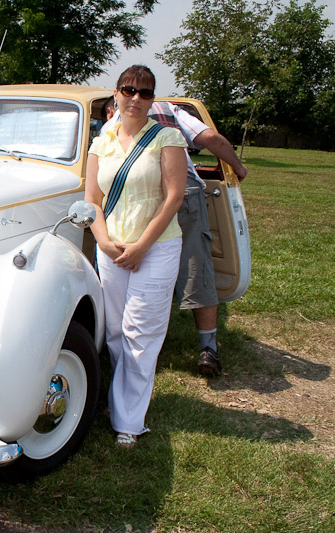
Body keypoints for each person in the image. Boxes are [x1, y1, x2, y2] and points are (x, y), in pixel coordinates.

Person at [103, 100, 249, 376]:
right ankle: (208, 347)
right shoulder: (168, 109)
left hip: (133, 199)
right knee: (196, 266)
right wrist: (238, 167)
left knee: (130, 268)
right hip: (183, 193)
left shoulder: (110, 127)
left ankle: (129, 347)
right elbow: (211, 138)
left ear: (111, 107)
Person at [85, 65, 187, 448]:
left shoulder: (167, 138)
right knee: (114, 331)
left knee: (140, 332)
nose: (136, 98)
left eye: (145, 93)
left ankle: (128, 421)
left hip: (156, 248)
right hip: (111, 248)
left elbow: (174, 197)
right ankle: (120, 399)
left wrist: (142, 245)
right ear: (116, 94)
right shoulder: (101, 142)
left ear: (152, 99)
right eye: (129, 90)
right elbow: (92, 200)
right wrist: (103, 242)